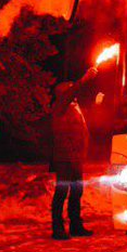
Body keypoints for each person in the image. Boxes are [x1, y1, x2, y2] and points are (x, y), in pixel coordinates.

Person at [51, 66, 100, 240]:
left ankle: (75, 225)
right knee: (62, 192)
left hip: (75, 159)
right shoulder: (60, 106)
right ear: (63, 93)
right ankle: (57, 229)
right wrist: (84, 79)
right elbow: (71, 93)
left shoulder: (74, 107)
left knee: (77, 192)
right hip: (64, 158)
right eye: (70, 87)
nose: (74, 89)